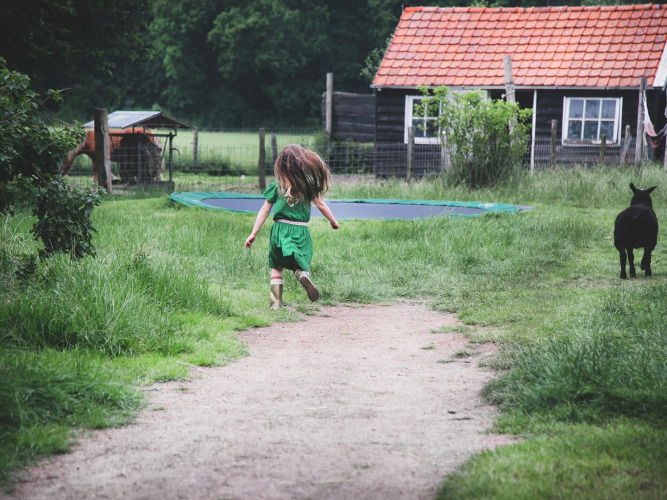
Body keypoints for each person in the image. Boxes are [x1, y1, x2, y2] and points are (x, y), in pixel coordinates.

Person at [245, 144, 339, 309]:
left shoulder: (277, 186)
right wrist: (333, 221)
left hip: (279, 231)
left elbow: (264, 211)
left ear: (280, 165)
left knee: (276, 267)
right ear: (303, 164)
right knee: (300, 261)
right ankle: (302, 274)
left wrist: (253, 233)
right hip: (300, 231)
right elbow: (321, 205)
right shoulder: (308, 185)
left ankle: (275, 303)